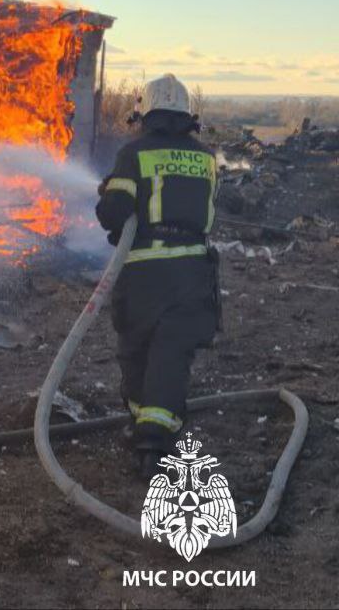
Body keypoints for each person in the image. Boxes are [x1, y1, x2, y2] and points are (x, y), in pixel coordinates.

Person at [95, 74, 220, 466]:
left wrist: (110, 190)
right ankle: (156, 430)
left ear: (144, 113)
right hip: (193, 271)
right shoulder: (205, 158)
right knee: (172, 352)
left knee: (137, 349)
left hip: (145, 273)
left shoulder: (135, 154)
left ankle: (146, 430)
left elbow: (113, 213)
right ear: (187, 115)